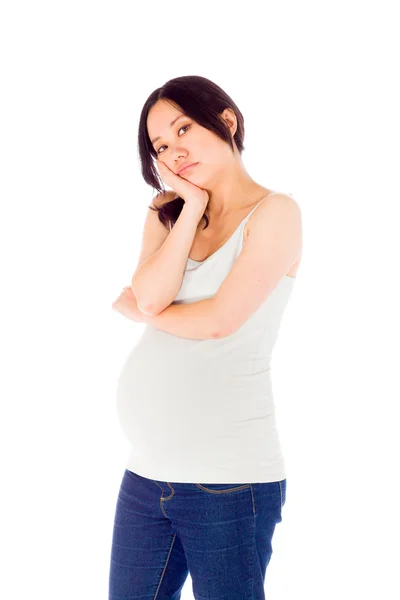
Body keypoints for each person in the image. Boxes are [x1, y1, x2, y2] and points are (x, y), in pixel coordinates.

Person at [109, 75, 302, 600]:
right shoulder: (167, 212)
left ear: (227, 121)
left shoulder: (276, 213)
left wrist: (145, 314)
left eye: (183, 129)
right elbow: (150, 296)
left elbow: (221, 320)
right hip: (146, 477)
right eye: (161, 147)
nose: (173, 152)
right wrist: (191, 208)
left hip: (229, 482)